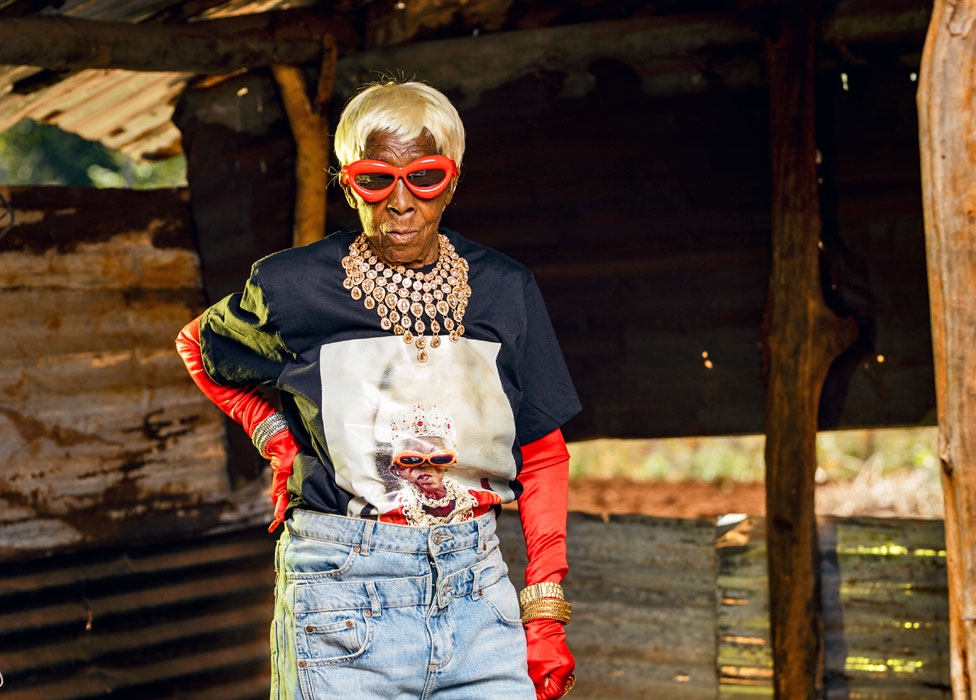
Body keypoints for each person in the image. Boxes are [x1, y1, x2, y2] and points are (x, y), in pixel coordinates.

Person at [176, 79, 580, 699]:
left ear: (452, 181)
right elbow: (197, 347)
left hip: (478, 591)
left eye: (424, 177)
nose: (400, 202)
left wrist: (544, 607)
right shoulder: (292, 287)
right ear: (346, 182)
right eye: (374, 179)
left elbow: (544, 451)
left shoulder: (505, 289)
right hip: (340, 588)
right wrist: (276, 437)